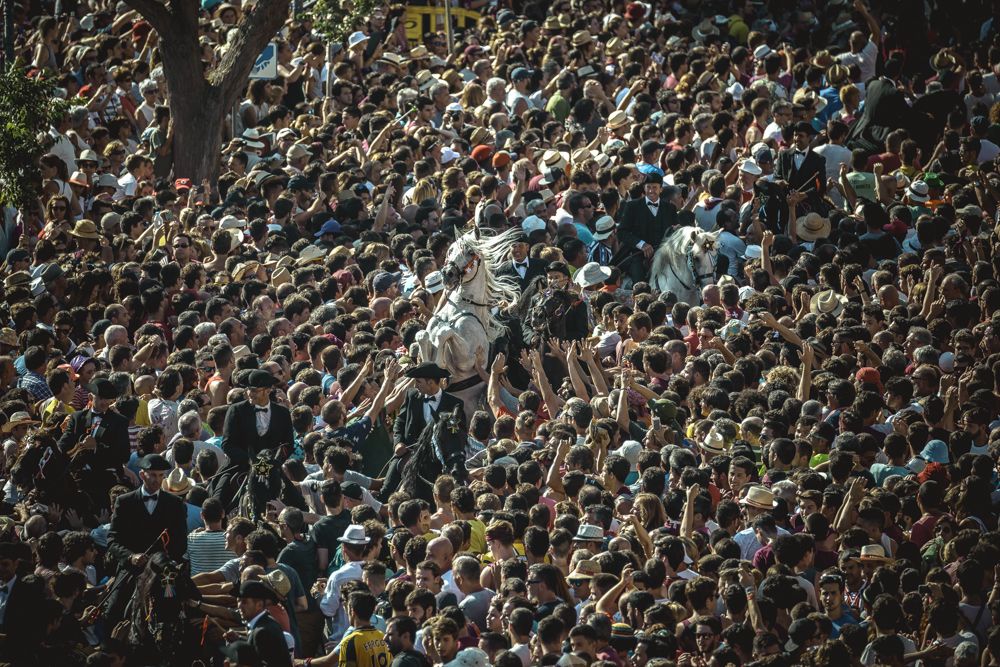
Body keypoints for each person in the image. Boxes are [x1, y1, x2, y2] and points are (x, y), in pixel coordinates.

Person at [222, 369, 294, 467]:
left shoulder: (283, 413)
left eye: (254, 391)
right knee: (221, 482)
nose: (250, 394)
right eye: (248, 389)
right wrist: (252, 462)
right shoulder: (236, 410)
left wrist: (273, 462)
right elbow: (227, 445)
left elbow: (288, 444)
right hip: (241, 466)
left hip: (272, 467)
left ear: (268, 390)